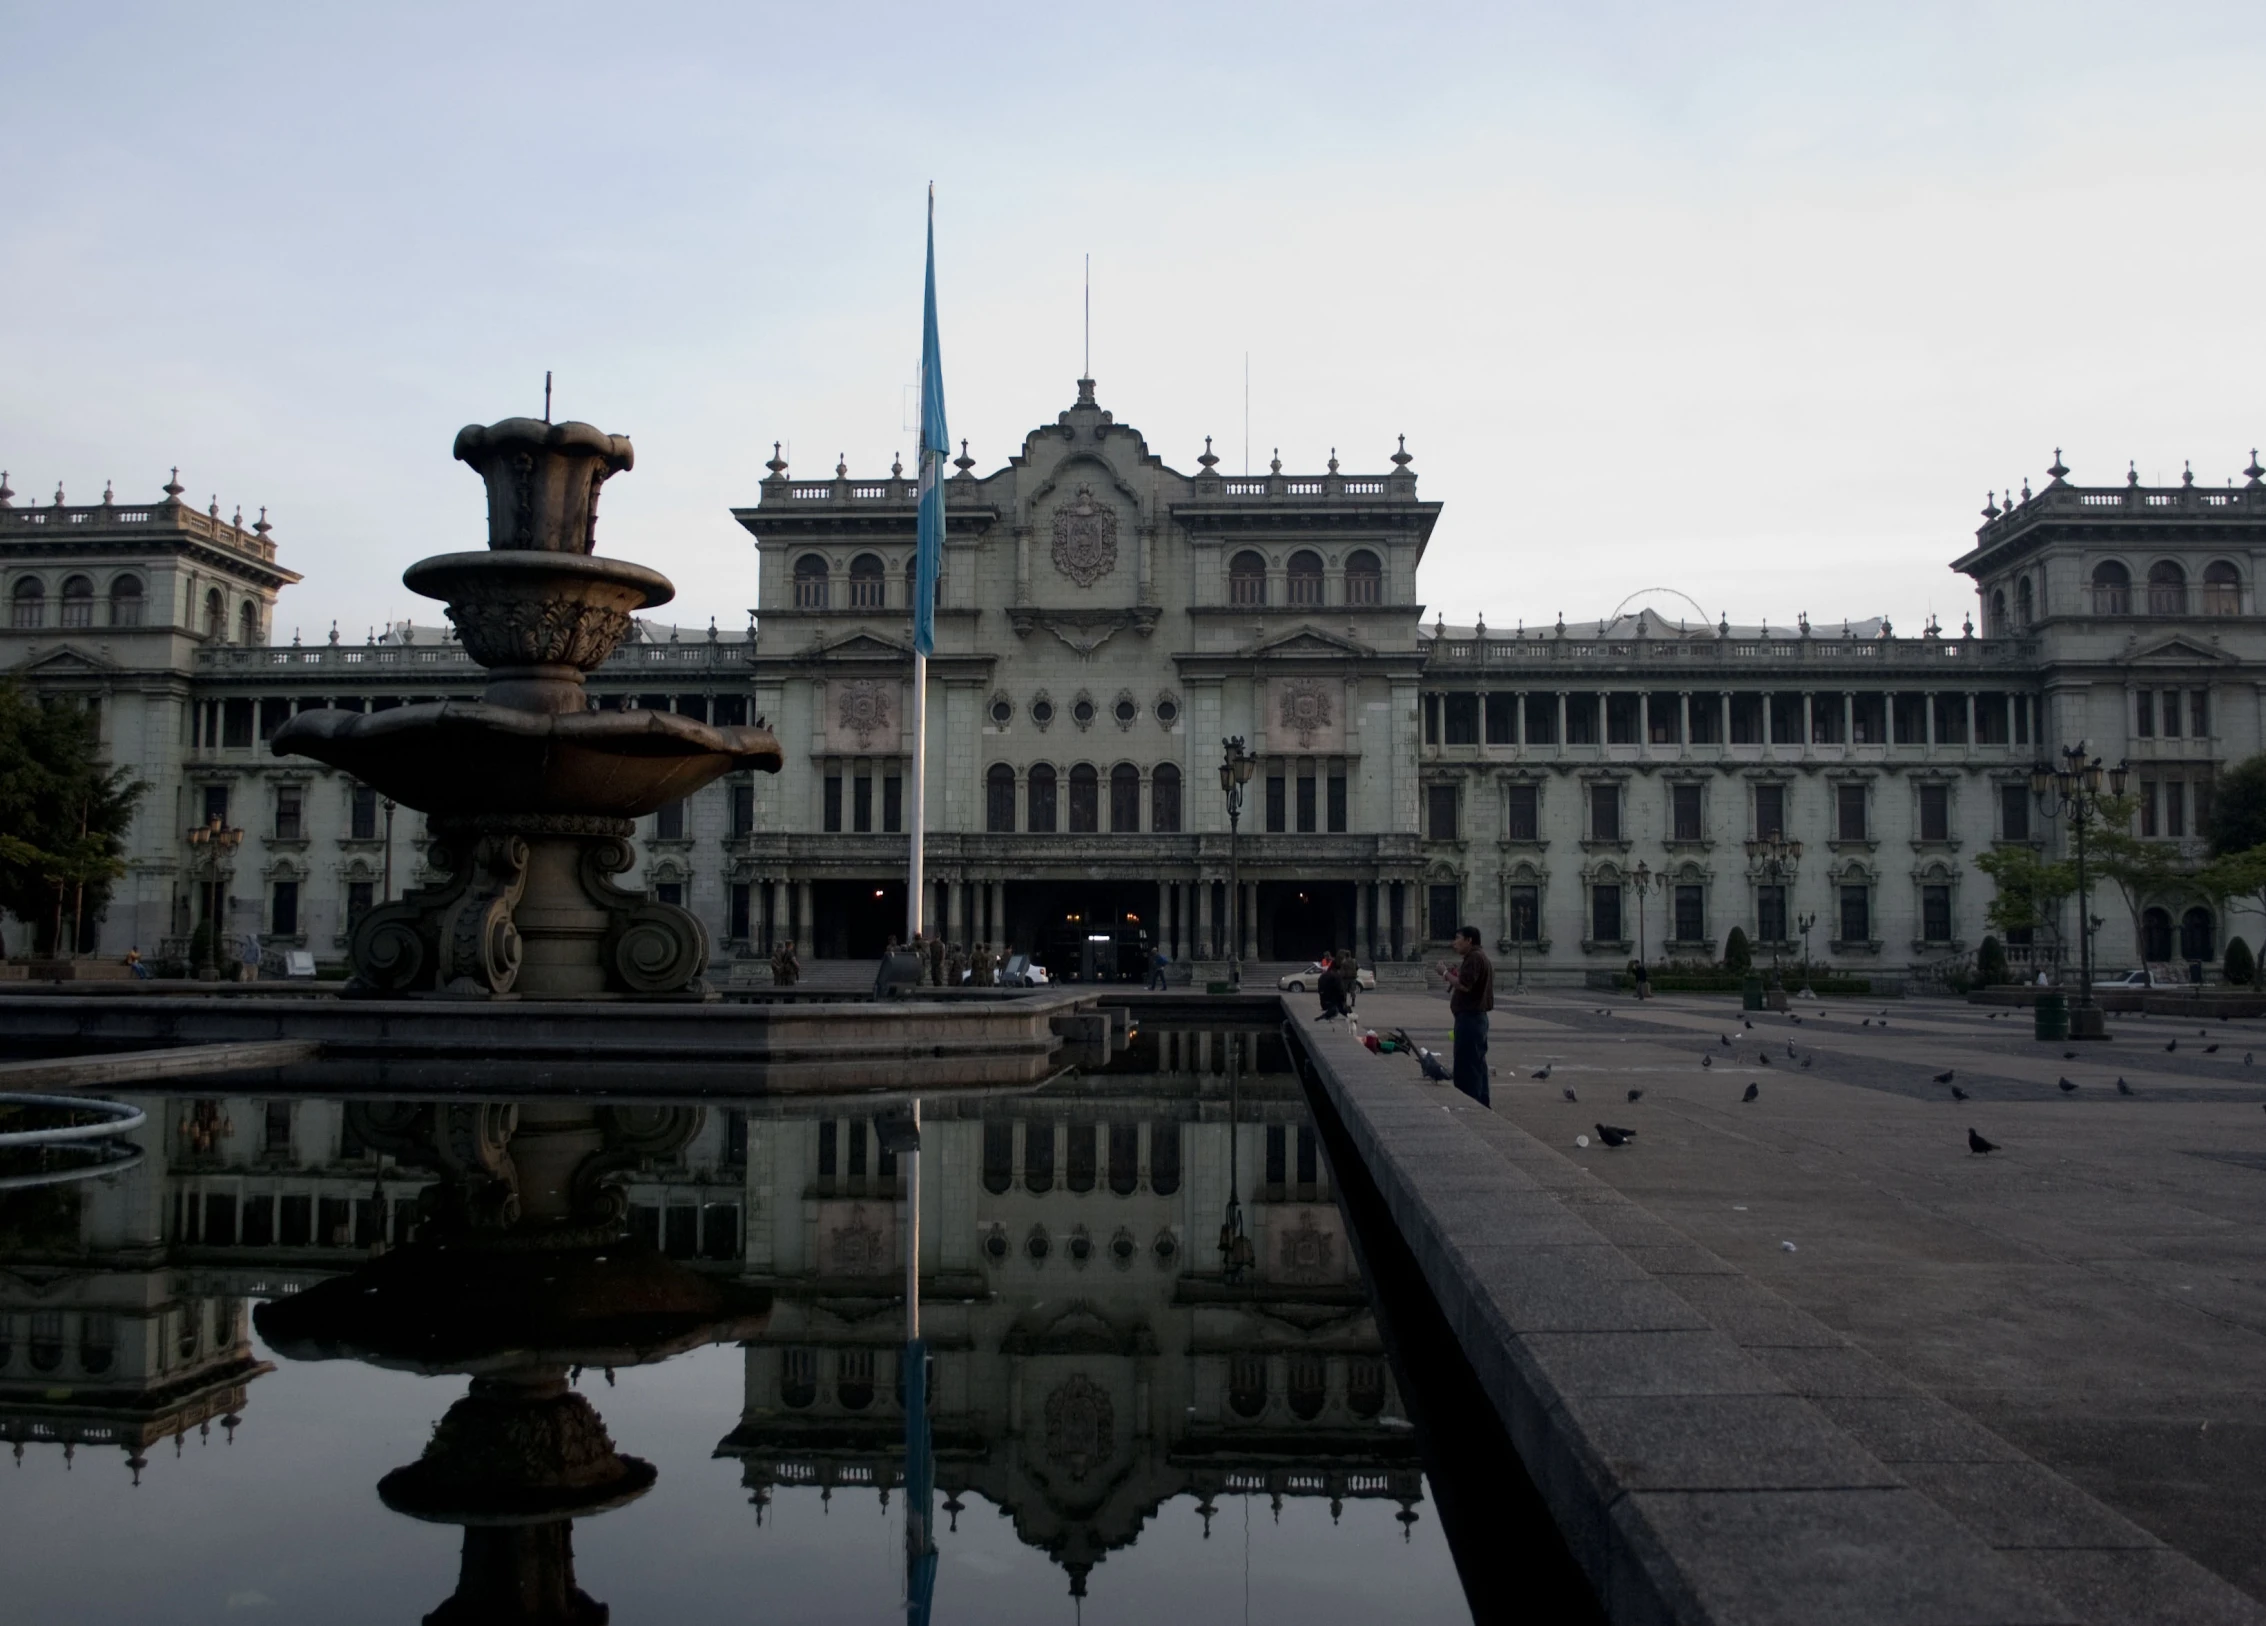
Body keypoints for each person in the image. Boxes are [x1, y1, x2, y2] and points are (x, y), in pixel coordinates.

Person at [1434, 925, 1495, 1106]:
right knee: (1476, 1064)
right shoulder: (1479, 957)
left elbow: (1464, 985)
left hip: (1470, 1019)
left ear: (1469, 940)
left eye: (1458, 938)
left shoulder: (1474, 957)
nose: (1454, 943)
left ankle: (1469, 1105)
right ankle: (1481, 1103)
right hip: (1476, 1019)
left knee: (1466, 1066)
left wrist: (1444, 973)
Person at [1317, 953, 1351, 1020]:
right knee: (1340, 1008)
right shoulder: (1336, 975)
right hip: (1334, 1000)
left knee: (1337, 1008)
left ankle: (1324, 1016)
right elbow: (1340, 990)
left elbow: (1321, 988)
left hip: (1326, 1000)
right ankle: (1351, 1017)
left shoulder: (1325, 975)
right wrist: (1343, 998)